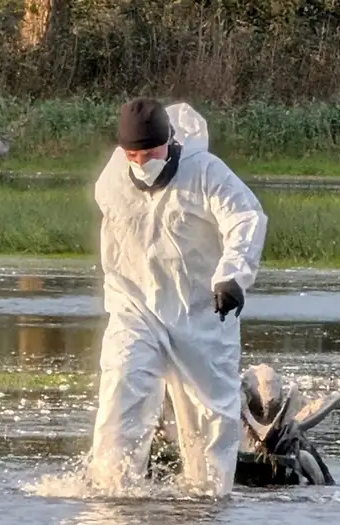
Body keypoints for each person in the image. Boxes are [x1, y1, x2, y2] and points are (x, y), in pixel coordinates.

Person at [84, 97, 269, 497]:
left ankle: (206, 500)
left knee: (209, 417)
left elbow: (246, 218)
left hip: (201, 315)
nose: (142, 161)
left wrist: (232, 277)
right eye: (133, 153)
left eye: (150, 152)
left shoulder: (206, 173)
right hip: (134, 309)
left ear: (168, 141)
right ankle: (111, 497)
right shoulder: (112, 178)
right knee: (120, 395)